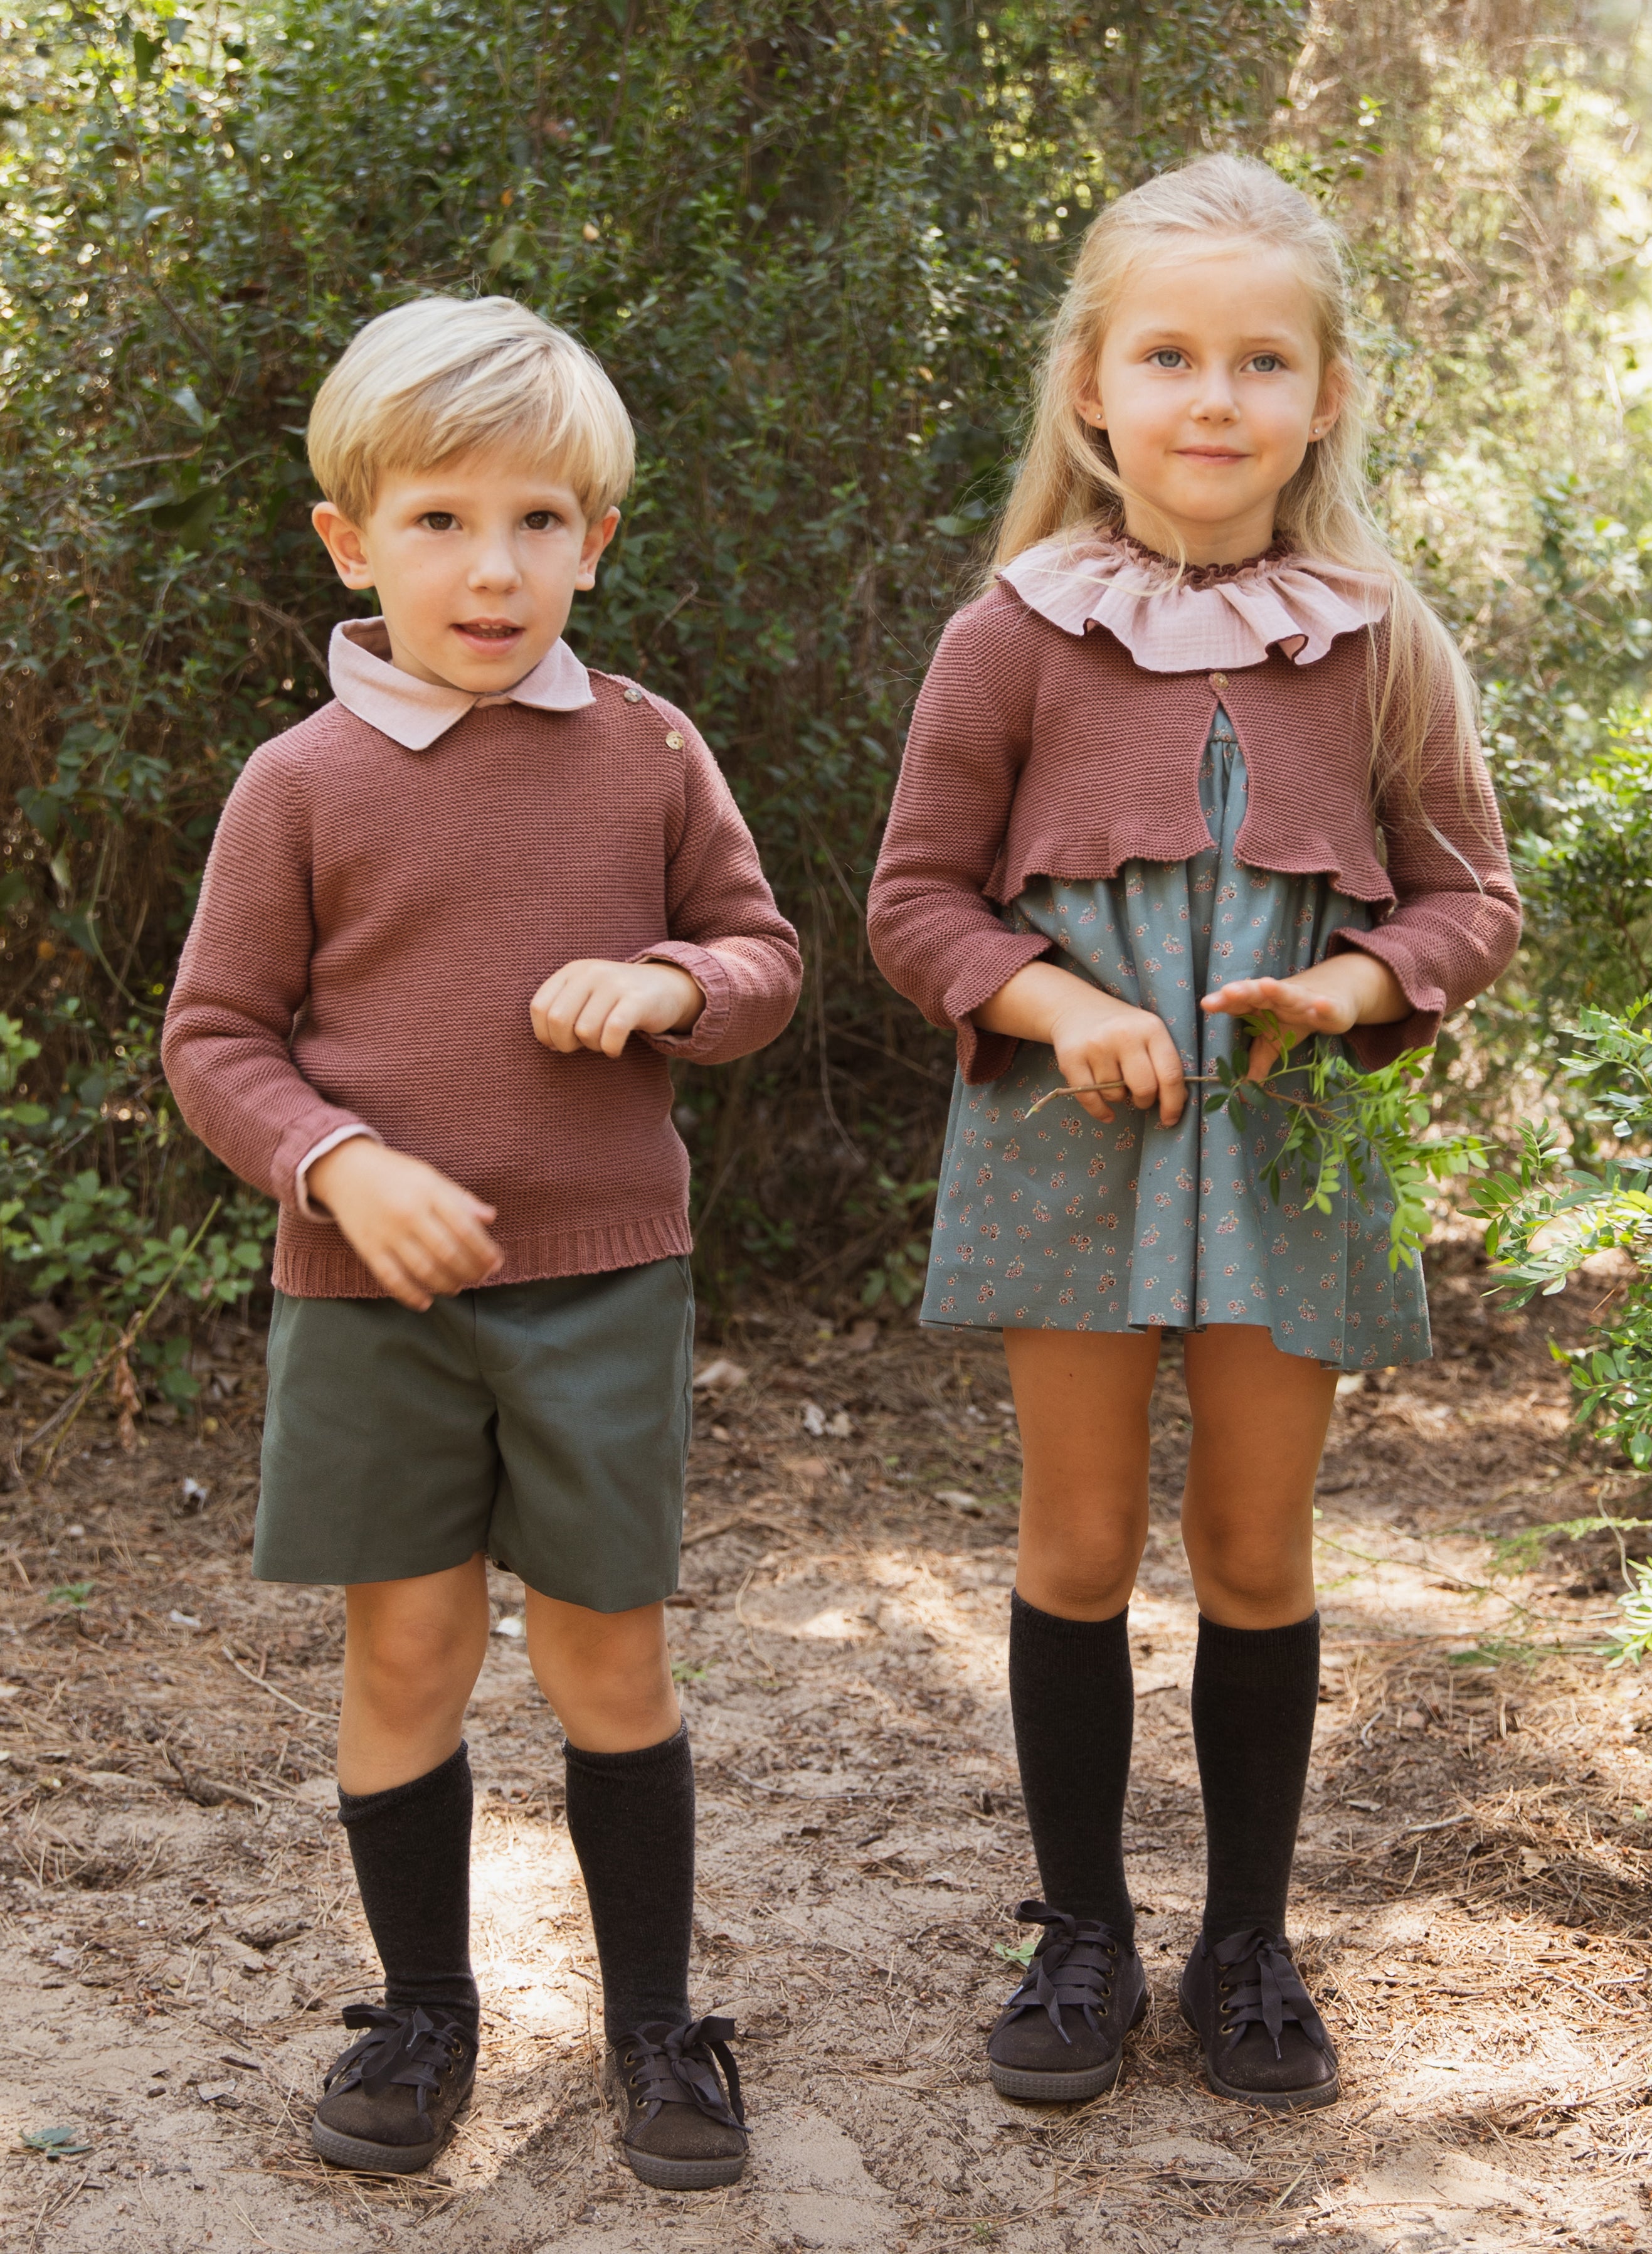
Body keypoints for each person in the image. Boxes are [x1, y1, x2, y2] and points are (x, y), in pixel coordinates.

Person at [867, 154, 1518, 2113]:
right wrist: (1060, 1005)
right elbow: (918, 903)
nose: (1211, 397)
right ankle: (1079, 1935)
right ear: (1091, 389)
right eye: (1167, 355)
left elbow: (1469, 897)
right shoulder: (1010, 634)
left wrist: (1350, 989)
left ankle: (1246, 1941)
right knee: (1072, 1537)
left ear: (1323, 397)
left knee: (1251, 1539)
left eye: (1258, 360)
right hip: (1068, 1139)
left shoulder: (1380, 638)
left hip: (1287, 1143)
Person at [162, 296, 800, 2188]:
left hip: (603, 1276)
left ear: (594, 540)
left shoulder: (646, 749)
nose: (493, 565)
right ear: (352, 540)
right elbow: (213, 1039)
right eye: (440, 520)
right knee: (411, 1649)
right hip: (369, 1299)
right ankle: (424, 2003)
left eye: (539, 522)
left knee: (610, 1656)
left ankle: (652, 2028)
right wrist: (336, 1162)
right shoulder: (300, 783)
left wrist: (671, 977)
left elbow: (764, 962)